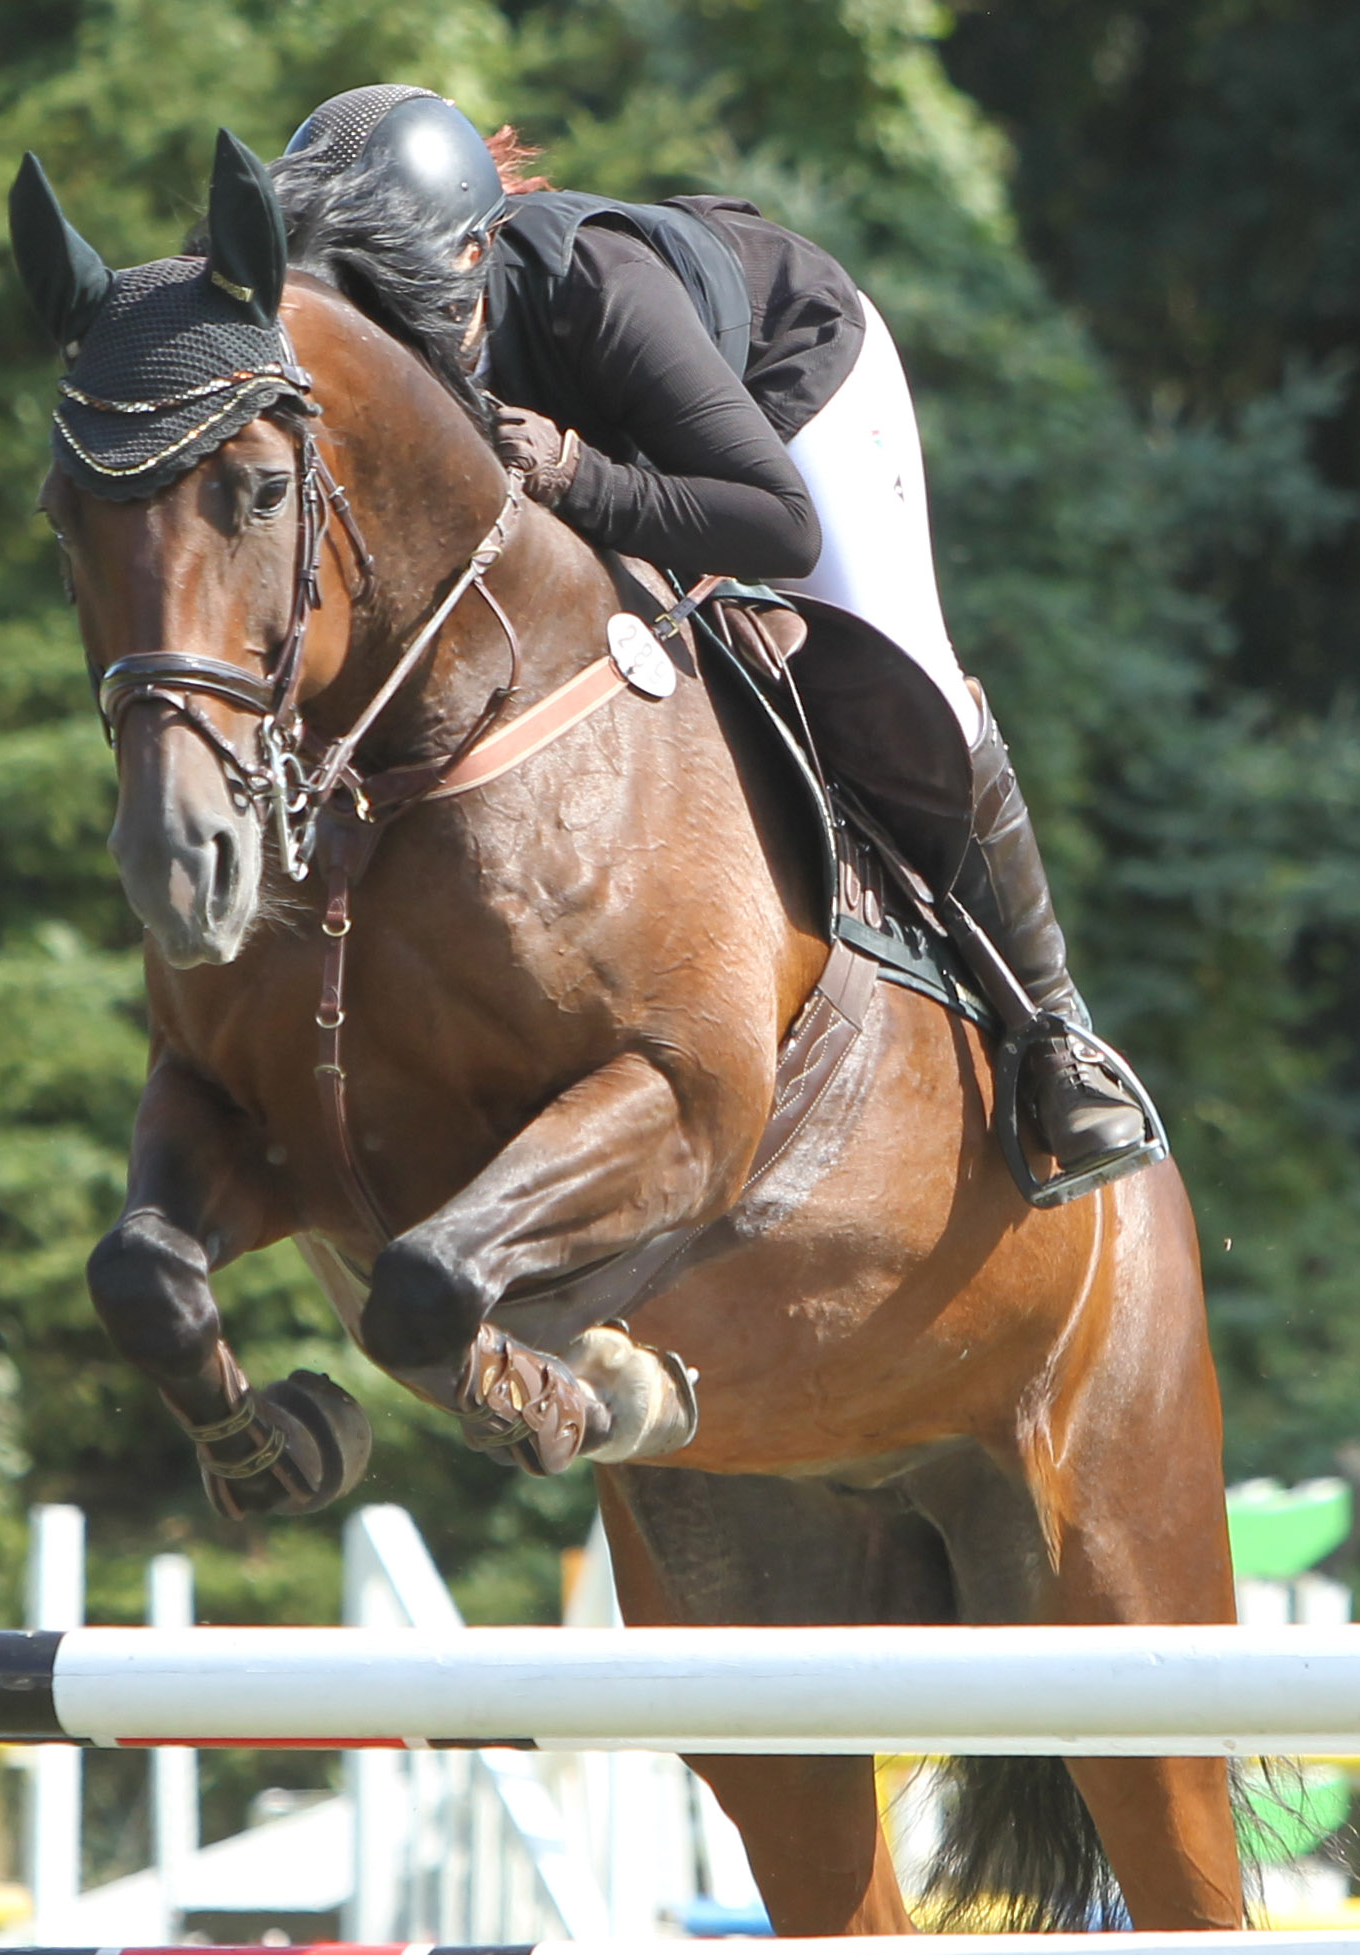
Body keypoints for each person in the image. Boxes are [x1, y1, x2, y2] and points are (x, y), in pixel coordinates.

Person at [270, 85, 1151, 1183]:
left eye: (398, 302)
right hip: (628, 450)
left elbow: (776, 523)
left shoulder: (594, 289)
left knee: (889, 680)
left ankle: (1057, 1033)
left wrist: (575, 475)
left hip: (785, 400)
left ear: (473, 253)